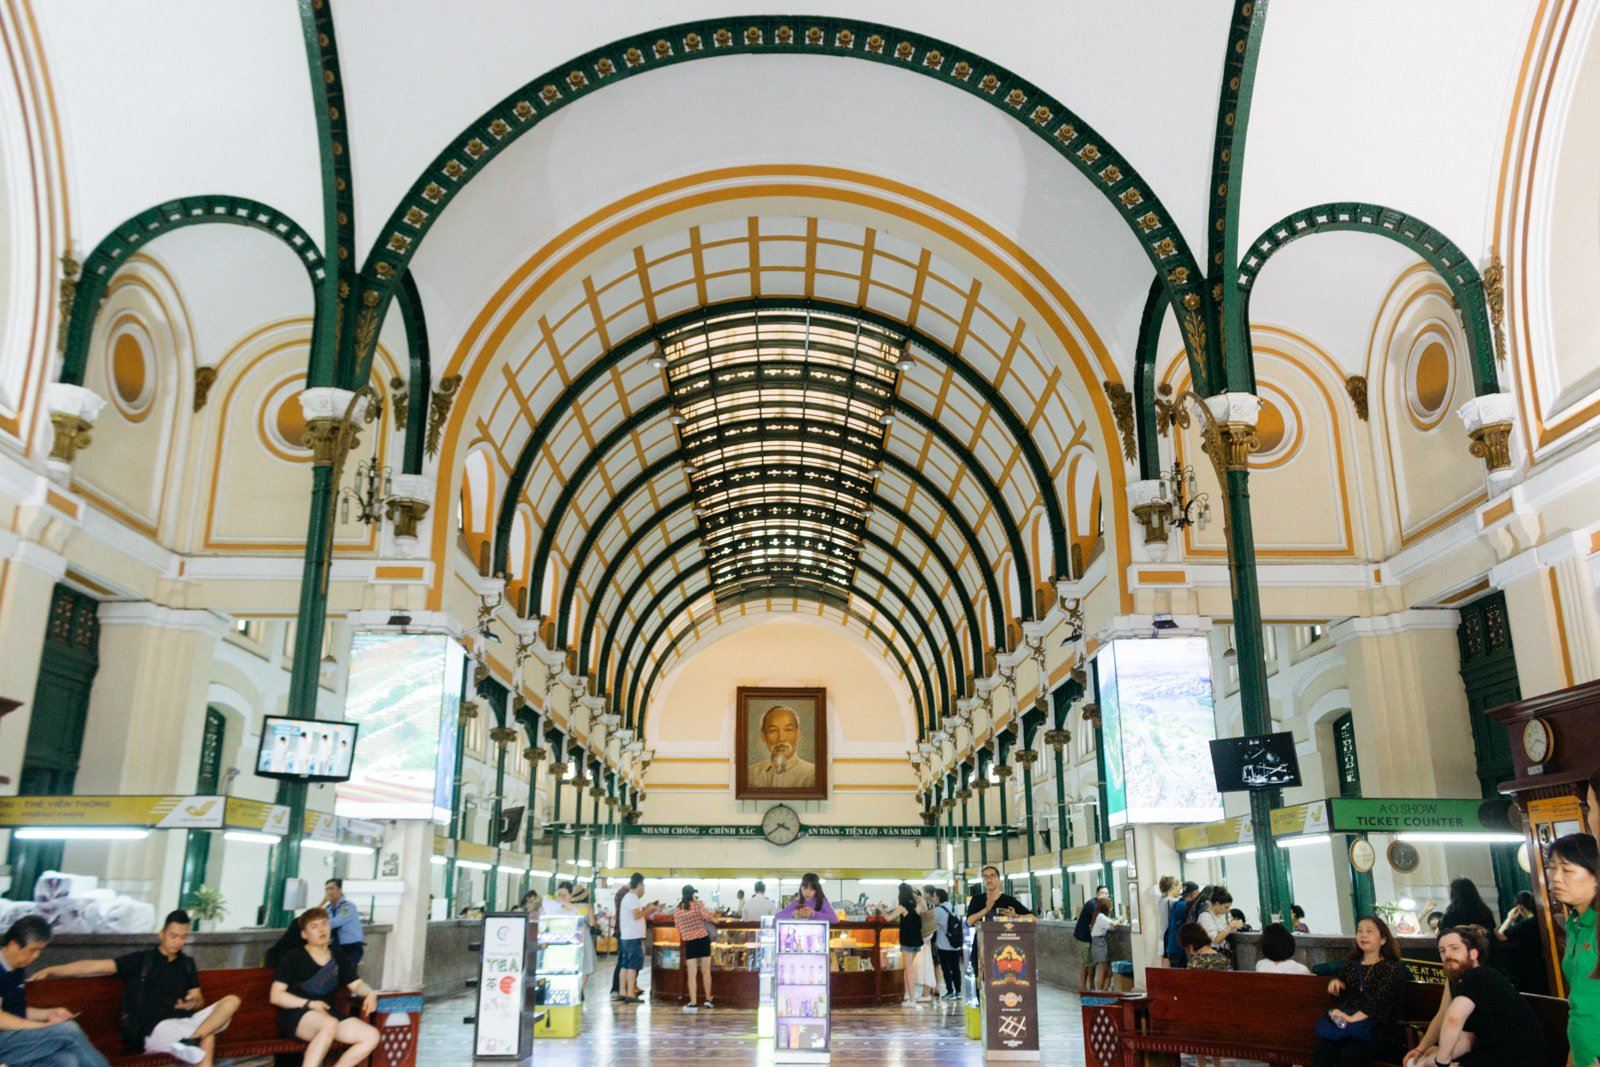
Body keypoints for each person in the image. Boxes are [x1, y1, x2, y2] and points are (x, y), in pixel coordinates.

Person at [28, 909, 241, 1066]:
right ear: (161, 934)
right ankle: (194, 1040)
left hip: (185, 1024)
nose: (178, 942)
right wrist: (52, 970)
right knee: (209, 1038)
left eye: (183, 937)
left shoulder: (186, 964)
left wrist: (193, 1002)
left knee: (232, 1000)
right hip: (155, 1031)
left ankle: (192, 1039)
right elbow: (94, 966)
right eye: (173, 936)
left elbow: (198, 999)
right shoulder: (141, 961)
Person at [1404, 924, 1547, 1067]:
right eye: (1442, 950)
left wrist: (1441, 1061)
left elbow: (1453, 1018)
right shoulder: (1456, 980)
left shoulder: (1479, 975)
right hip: (1495, 1053)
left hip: (1516, 1057)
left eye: (1454, 948)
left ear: (1473, 953)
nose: (1447, 955)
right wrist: (1421, 1050)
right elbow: (1444, 1016)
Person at [268, 907, 380, 1067]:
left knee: (371, 1035)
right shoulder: (293, 956)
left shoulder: (338, 955)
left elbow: (356, 984)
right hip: (296, 1015)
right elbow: (276, 995)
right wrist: (309, 1004)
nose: (321, 929)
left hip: (327, 1015)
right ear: (304, 934)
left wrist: (370, 993)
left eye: (324, 924)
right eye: (314, 926)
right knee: (329, 1024)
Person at [0, 914, 113, 1067]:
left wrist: (49, 1013)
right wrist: (46, 1028)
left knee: (67, 1061)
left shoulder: (16, 968)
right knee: (68, 1031)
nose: (36, 956)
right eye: (33, 950)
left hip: (12, 1042)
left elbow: (14, 1011)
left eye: (40, 950)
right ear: (13, 945)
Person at [1313, 915, 1406, 1067]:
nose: (1363, 935)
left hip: (1378, 1029)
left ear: (1383, 940)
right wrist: (1336, 989)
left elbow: (1379, 1004)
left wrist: (1351, 1019)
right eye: (1360, 931)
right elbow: (1343, 1000)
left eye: (1369, 931)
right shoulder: (1351, 964)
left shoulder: (1390, 968)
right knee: (1323, 1050)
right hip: (1350, 1028)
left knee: (1349, 1054)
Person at [1547, 832, 1598, 1067]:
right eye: (1552, 867)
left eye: (1567, 870)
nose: (1556, 877)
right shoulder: (1575, 925)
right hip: (1582, 1051)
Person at [671, 885, 720, 1012]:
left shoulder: (677, 910)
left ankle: (693, 1002)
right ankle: (708, 999)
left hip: (689, 943)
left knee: (692, 974)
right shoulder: (697, 905)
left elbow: (678, 927)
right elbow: (709, 917)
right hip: (703, 940)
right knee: (706, 972)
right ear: (692, 894)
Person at [747, 705, 816, 788]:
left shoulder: (812, 773)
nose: (781, 738)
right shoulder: (751, 773)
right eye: (773, 731)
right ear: (763, 736)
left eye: (788, 729)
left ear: (798, 734)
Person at [883, 883, 928, 1005]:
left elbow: (888, 918)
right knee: (908, 970)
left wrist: (880, 908)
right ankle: (908, 996)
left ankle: (912, 999)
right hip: (917, 941)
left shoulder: (903, 906)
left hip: (907, 941)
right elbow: (923, 910)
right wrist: (919, 899)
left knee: (909, 969)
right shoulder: (917, 905)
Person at [615, 874, 650, 1004]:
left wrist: (645, 909)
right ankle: (630, 994)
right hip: (633, 936)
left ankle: (622, 992)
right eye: (643, 885)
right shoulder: (632, 897)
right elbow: (636, 915)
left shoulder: (627, 897)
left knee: (624, 965)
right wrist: (647, 910)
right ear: (639, 885)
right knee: (632, 966)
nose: (644, 888)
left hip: (626, 936)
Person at [321, 879, 366, 970]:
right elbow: (312, 917)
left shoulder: (348, 907)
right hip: (335, 946)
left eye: (332, 888)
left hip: (351, 946)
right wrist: (322, 902)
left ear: (340, 889)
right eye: (327, 889)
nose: (329, 892)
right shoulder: (328, 908)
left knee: (347, 975)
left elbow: (335, 923)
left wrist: (320, 924)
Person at [1073, 884, 1110, 989]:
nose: (1105, 895)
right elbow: (1100, 919)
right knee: (1087, 963)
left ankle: (1092, 987)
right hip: (1083, 937)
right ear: (1097, 894)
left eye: (1107, 893)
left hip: (1091, 938)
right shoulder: (1092, 905)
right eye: (1102, 893)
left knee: (1091, 963)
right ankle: (1083, 988)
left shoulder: (1101, 905)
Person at [930, 887, 963, 1000]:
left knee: (946, 968)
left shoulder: (937, 910)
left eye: (934, 897)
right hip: (956, 943)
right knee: (956, 968)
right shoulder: (954, 907)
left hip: (943, 944)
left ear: (938, 897)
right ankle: (958, 991)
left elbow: (931, 925)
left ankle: (950, 991)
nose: (933, 899)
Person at [1197, 888, 1243, 956]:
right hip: (1211, 956)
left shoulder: (1223, 916)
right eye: (1226, 907)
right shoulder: (1205, 917)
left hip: (1224, 953)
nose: (1228, 910)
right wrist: (1230, 927)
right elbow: (1215, 940)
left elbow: (1227, 933)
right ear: (1217, 904)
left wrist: (1237, 925)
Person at [1165, 882, 1199, 967]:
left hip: (1174, 947)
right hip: (1178, 949)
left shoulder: (1178, 903)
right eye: (1197, 894)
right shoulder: (1183, 906)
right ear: (1193, 894)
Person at [1089, 897, 1118, 990]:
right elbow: (1113, 924)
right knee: (1102, 970)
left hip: (1100, 943)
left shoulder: (1099, 916)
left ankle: (1104, 991)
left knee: (1108, 971)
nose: (1111, 908)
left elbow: (1110, 926)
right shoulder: (1101, 916)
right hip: (1099, 944)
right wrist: (1121, 918)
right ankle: (1099, 993)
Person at [1152, 876, 1179, 966]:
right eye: (1178, 887)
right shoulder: (1172, 902)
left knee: (1164, 967)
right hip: (1169, 939)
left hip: (1162, 938)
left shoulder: (1160, 900)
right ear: (1173, 887)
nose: (1179, 890)